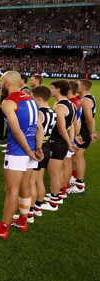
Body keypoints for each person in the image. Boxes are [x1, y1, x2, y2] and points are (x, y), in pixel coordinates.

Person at [0, 71, 43, 239]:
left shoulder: (9, 102)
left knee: (11, 190)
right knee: (26, 186)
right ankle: (22, 221)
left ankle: (2, 229)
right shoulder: (30, 98)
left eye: (2, 82)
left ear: (8, 83)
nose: (1, 85)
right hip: (31, 150)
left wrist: (29, 151)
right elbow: (39, 127)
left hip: (18, 151)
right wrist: (37, 148)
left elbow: (16, 131)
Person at [41, 80, 77, 212]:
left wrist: (69, 144)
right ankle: (57, 196)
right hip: (62, 142)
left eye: (52, 88)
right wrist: (71, 141)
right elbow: (71, 125)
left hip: (57, 142)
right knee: (58, 171)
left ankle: (53, 203)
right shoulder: (71, 105)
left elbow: (61, 129)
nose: (50, 90)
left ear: (58, 89)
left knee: (54, 173)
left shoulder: (60, 107)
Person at [28, 86, 56, 222]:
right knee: (39, 179)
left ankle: (29, 213)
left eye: (33, 97)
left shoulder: (39, 113)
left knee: (31, 182)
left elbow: (36, 131)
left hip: (37, 149)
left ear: (38, 98)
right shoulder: (53, 111)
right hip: (47, 147)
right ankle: (38, 208)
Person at [68, 80, 98, 194]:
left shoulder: (85, 100)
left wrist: (91, 133)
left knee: (78, 155)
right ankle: (75, 179)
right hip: (83, 131)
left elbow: (89, 119)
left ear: (84, 87)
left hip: (83, 132)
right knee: (75, 156)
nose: (76, 85)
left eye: (78, 84)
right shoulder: (86, 98)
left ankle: (80, 185)